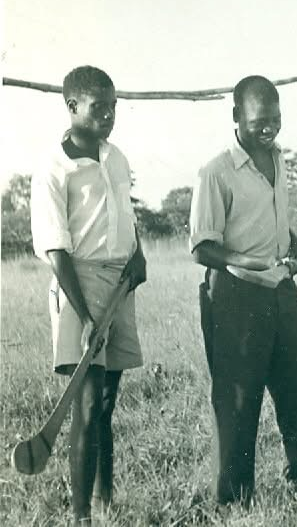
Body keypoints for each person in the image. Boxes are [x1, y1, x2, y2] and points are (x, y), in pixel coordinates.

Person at [189, 75, 297, 505]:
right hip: (235, 297)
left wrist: (296, 246)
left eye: (275, 119)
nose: (268, 128)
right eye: (258, 121)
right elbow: (202, 247)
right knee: (237, 402)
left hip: (281, 291)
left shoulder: (277, 158)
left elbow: (271, 219)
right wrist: (249, 261)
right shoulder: (214, 172)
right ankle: (234, 504)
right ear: (236, 117)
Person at [30, 65, 147, 526]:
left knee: (106, 404)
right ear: (73, 106)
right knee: (87, 402)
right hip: (79, 285)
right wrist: (85, 316)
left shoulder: (115, 157)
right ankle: (80, 517)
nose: (109, 116)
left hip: (121, 282)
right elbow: (55, 249)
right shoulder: (54, 167)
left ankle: (106, 503)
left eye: (114, 106)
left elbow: (125, 213)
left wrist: (137, 253)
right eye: (99, 107)